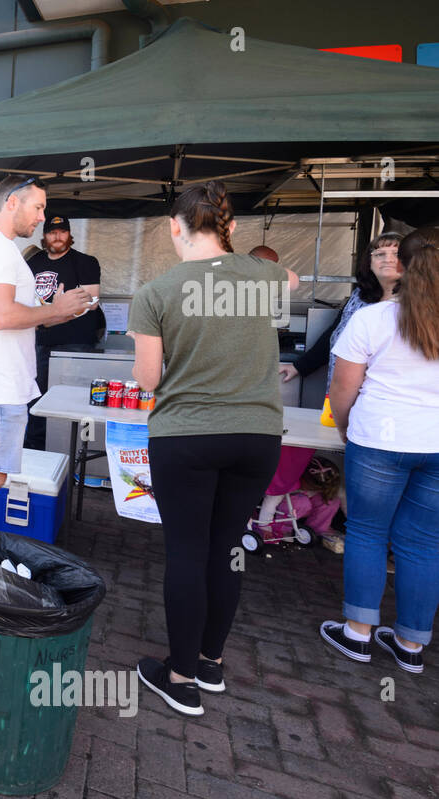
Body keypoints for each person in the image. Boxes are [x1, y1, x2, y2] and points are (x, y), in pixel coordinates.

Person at [127, 180, 299, 716]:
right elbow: (292, 277)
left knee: (186, 551)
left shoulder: (156, 292)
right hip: (257, 436)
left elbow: (149, 379)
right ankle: (209, 663)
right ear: (229, 228)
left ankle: (179, 680)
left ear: (175, 227)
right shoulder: (264, 276)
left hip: (187, 435)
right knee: (227, 547)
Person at [319, 226, 439, 674]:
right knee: (424, 544)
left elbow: (342, 389)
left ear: (402, 266)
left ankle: (357, 634)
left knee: (368, 534)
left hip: (379, 441)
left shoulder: (372, 319)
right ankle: (410, 643)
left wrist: (348, 430)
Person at [0, 175, 92, 528]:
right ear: (12, 202)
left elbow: (19, 316)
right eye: (38, 207)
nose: (42, 218)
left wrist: (57, 309)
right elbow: (1, 316)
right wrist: (55, 310)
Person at [279, 232, 403, 386]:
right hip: (341, 391)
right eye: (379, 254)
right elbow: (336, 334)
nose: (388, 259)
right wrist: (300, 366)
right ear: (369, 262)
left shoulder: (415, 303)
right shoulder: (359, 296)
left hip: (381, 395)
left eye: (396, 254)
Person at [25, 214, 104, 449]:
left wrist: (51, 313)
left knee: (70, 400)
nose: (57, 237)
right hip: (39, 341)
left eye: (62, 232)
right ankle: (36, 451)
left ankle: (66, 453)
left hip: (75, 343)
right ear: (44, 236)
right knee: (36, 398)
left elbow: (91, 302)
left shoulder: (85, 262)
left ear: (69, 235)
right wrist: (51, 312)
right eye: (52, 232)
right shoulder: (33, 262)